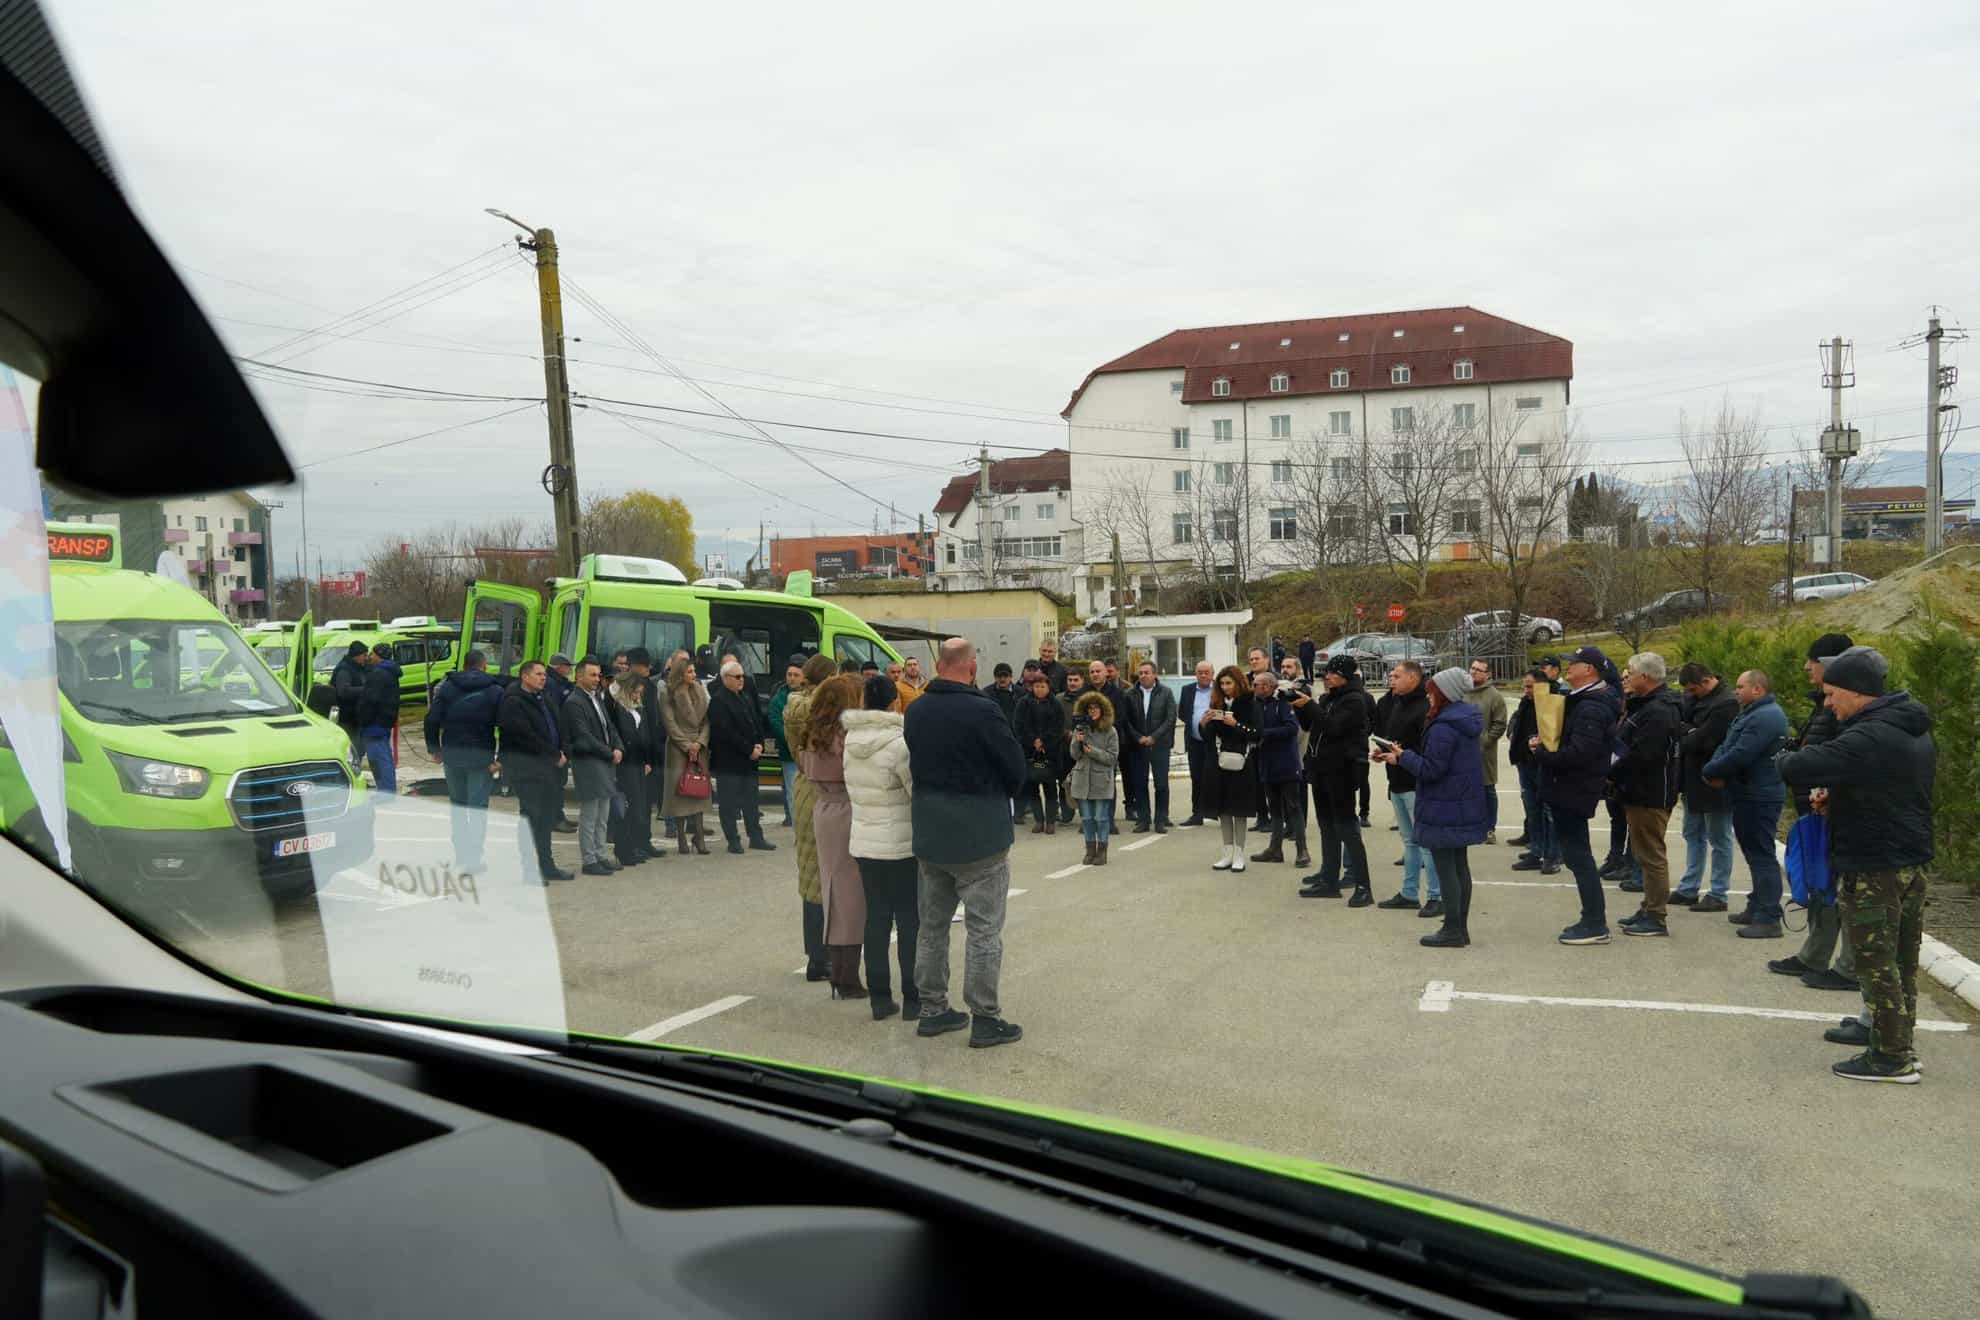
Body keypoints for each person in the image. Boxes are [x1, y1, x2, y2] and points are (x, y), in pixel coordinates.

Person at [1777, 647, 1934, 1083]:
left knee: (1875, 961)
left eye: (1832, 694)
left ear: (1857, 692)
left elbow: (1805, 765)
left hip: (1875, 863)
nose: (1828, 703)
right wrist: (1841, 797)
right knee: (1900, 961)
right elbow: (1884, 786)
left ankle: (1891, 1058)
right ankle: (1897, 1041)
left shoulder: (1870, 735)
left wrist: (1783, 758)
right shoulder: (1906, 727)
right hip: (1907, 858)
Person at [903, 638, 1027, 1048]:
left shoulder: (916, 710)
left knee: (932, 928)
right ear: (972, 668)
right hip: (980, 836)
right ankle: (985, 1017)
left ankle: (933, 1009)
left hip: (931, 833)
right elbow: (1014, 768)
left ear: (938, 665)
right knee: (983, 931)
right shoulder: (984, 710)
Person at [1770, 634, 1859, 987]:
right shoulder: (1823, 704)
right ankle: (1815, 955)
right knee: (1821, 884)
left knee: (1844, 889)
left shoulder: (1848, 711)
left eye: (1813, 660)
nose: (1807, 666)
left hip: (1836, 811)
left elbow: (1842, 758)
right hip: (1818, 808)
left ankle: (1849, 967)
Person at [1377, 667, 1487, 947]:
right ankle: (1459, 927)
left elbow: (1432, 769)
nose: (1428, 695)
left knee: (1447, 866)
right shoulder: (1464, 719)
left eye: (1432, 691)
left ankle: (1452, 928)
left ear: (1444, 693)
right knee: (1459, 866)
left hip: (1443, 803)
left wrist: (1404, 758)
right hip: (1460, 801)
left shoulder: (1444, 726)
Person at [1528, 645, 1624, 945]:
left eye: (1574, 664)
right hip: (1568, 786)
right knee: (1576, 855)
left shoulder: (1592, 706)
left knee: (1579, 856)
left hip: (1573, 789)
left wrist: (1542, 752)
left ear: (1590, 670)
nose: (1567, 668)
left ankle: (1595, 923)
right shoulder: (1585, 699)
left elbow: (1580, 754)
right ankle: (1592, 919)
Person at [843, 674, 920, 1021]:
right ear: (894, 703)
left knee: (875, 918)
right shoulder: (899, 743)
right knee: (908, 921)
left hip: (863, 840)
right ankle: (913, 998)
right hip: (900, 843)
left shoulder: (850, 740)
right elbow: (913, 790)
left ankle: (879, 998)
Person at [1701, 669, 1790, 940]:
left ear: (1757, 689)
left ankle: (1769, 916)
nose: (1735, 691)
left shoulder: (1766, 717)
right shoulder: (1751, 713)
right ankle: (1757, 906)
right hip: (1746, 792)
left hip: (1759, 795)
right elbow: (1726, 746)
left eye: (1741, 686)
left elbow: (1742, 754)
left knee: (1762, 855)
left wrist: (1710, 771)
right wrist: (1714, 768)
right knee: (1754, 853)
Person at [802, 674, 869, 1000]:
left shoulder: (813, 733)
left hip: (823, 810)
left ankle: (839, 971)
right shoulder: (846, 738)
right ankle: (846, 976)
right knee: (852, 896)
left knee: (833, 891)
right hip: (847, 810)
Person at [1613, 653, 1682, 936]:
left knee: (1652, 855)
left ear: (1646, 676)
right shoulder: (1646, 706)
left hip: (1650, 793)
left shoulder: (1658, 711)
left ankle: (1656, 916)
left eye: (1630, 671)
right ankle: (1648, 907)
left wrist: (1613, 766)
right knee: (1643, 853)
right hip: (1638, 791)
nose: (1625, 676)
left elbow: (1646, 756)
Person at [1295, 654, 1372, 900]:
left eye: (1332, 673)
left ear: (1345, 676)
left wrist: (1310, 706)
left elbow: (1334, 727)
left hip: (1342, 771)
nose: (1326, 677)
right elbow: (1312, 727)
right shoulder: (1329, 698)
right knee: (1327, 826)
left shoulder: (1354, 700)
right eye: (1326, 673)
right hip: (1321, 770)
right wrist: (1300, 708)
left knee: (1347, 828)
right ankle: (1329, 880)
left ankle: (1363, 886)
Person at [784, 653, 840, 982]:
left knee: (809, 879)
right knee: (827, 881)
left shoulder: (794, 707)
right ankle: (825, 957)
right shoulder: (823, 710)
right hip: (823, 793)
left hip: (802, 790)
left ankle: (814, 958)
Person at [422, 647, 504, 871]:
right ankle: (474, 860)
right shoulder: (495, 690)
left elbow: (431, 720)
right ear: (483, 665)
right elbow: (506, 725)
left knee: (457, 807)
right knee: (477, 809)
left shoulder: (447, 687)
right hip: (481, 757)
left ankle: (461, 856)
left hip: (452, 754)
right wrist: (501, 756)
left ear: (464, 666)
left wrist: (434, 748)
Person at [497, 661, 573, 883]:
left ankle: (547, 865)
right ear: (524, 676)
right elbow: (524, 736)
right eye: (538, 674)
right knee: (531, 817)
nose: (543, 678)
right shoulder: (513, 702)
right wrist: (553, 754)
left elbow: (560, 726)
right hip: (526, 769)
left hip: (549, 768)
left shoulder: (544, 698)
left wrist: (564, 750)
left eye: (544, 674)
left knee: (546, 818)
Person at [1673, 661, 1738, 913]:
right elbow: (1682, 729)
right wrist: (1691, 732)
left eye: (1692, 689)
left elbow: (1707, 740)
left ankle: (1718, 893)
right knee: (1693, 835)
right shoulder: (1695, 700)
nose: (1689, 694)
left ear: (1705, 682)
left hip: (1714, 780)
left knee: (1719, 838)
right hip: (1692, 779)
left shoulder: (1726, 703)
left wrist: (1689, 734)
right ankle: (1689, 888)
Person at [1373, 661, 1436, 914]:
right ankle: (1409, 893)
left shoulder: (1424, 708)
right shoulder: (1396, 703)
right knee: (1410, 841)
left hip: (1414, 783)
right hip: (1396, 780)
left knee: (1426, 843)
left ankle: (1436, 895)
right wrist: (1384, 750)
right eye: (1391, 675)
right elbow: (1397, 740)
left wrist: (1400, 757)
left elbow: (1424, 749)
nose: (1392, 679)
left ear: (1413, 678)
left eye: (1397, 676)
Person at [562, 656, 625, 876]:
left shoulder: (596, 698)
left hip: (605, 761)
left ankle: (600, 855)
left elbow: (610, 726)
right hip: (589, 762)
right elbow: (583, 736)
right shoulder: (574, 702)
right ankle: (589, 860)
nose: (597, 679)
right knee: (590, 815)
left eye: (598, 675)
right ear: (579, 676)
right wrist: (610, 753)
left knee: (603, 815)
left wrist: (618, 747)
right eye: (593, 675)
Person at [707, 660, 775, 854]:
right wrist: (748, 749)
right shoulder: (719, 701)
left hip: (750, 761)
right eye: (737, 677)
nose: (741, 680)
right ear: (725, 678)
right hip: (729, 762)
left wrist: (760, 744)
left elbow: (756, 722)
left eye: (742, 676)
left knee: (752, 801)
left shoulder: (745, 697)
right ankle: (733, 840)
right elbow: (725, 732)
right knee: (728, 803)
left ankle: (756, 836)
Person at [1199, 665, 1260, 872]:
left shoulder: (1250, 702)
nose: (1225, 688)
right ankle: (1226, 853)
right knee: (1223, 809)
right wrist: (1204, 724)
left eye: (1228, 683)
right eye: (1222, 684)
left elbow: (1256, 733)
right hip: (1220, 761)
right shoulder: (1217, 703)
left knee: (1239, 809)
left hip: (1242, 761)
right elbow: (1208, 738)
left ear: (1238, 682)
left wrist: (1236, 724)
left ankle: (1239, 854)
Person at [1245, 670, 1306, 868]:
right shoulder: (1255, 705)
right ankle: (1275, 848)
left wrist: (1265, 734)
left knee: (1293, 807)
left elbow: (1292, 728)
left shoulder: (1282, 703)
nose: (1254, 688)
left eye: (1257, 685)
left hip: (1286, 764)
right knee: (1274, 808)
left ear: (1269, 686)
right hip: (1266, 763)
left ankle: (1302, 850)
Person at [1507, 669, 1561, 875]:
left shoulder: (1552, 704)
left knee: (1548, 811)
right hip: (1525, 762)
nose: (1526, 690)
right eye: (1524, 686)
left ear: (1541, 686)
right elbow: (1517, 723)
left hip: (1543, 764)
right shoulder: (1525, 703)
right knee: (1533, 810)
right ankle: (1536, 851)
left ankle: (1552, 855)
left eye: (1529, 686)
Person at [659, 655, 713, 856]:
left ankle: (699, 836)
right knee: (679, 792)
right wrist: (687, 745)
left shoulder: (699, 690)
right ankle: (681, 837)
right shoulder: (668, 692)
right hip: (678, 749)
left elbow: (707, 720)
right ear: (680, 674)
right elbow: (669, 723)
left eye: (694, 671)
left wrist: (699, 743)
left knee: (698, 789)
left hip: (699, 748)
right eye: (690, 671)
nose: (694, 674)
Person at [607, 670, 657, 868]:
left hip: (639, 763)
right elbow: (620, 734)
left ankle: (634, 846)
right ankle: (623, 849)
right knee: (628, 807)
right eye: (635, 692)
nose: (638, 696)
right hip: (625, 764)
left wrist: (647, 760)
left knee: (639, 806)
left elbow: (643, 733)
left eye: (640, 693)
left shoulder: (637, 707)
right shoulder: (616, 706)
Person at [1123, 661, 1177, 834]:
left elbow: (1170, 719)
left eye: (1146, 672)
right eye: (1140, 673)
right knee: (1139, 783)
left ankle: (1160, 819)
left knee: (1161, 784)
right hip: (1137, 746)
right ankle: (1143, 820)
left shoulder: (1166, 693)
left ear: (1154, 674)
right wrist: (1139, 737)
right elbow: (1126, 720)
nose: (1143, 676)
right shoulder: (1130, 694)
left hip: (1159, 745)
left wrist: (1153, 737)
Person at [1067, 690, 1120, 865]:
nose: (1092, 711)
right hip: (1082, 780)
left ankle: (1102, 851)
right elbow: (1074, 755)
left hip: (1101, 781)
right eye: (1089, 708)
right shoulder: (1081, 728)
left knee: (1101, 818)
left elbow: (1112, 758)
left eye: (1096, 708)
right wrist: (1077, 740)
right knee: (1087, 819)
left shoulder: (1110, 731)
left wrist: (1093, 752)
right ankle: (1090, 850)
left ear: (1103, 710)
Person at [620, 648, 664, 861]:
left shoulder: (651, 686)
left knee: (647, 802)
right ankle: (633, 843)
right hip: (634, 757)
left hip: (651, 752)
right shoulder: (625, 688)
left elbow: (653, 721)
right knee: (635, 803)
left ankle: (644, 841)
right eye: (644, 665)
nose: (648, 669)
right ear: (633, 666)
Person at [1462, 659, 1509, 845]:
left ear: (1487, 674)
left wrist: (1486, 741)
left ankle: (1490, 828)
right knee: (1465, 789)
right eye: (1472, 668)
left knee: (1487, 789)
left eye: (1479, 670)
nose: (1474, 672)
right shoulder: (1462, 692)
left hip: (1484, 753)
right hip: (1462, 751)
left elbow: (1500, 723)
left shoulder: (1494, 696)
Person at [1013, 673, 1065, 834]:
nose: (1039, 689)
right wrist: (1032, 741)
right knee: (1032, 788)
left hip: (1050, 752)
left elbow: (1058, 728)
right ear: (1031, 687)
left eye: (1043, 686)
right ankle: (1038, 820)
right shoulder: (1023, 703)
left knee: (1050, 788)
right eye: (1036, 686)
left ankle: (1050, 821)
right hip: (1029, 752)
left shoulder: (1055, 704)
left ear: (1048, 687)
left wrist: (1044, 741)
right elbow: (1018, 726)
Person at [1090, 660, 1133, 832]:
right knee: (1091, 782)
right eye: (1092, 671)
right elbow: (1078, 715)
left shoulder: (1116, 693)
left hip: (1109, 743)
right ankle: (1092, 819)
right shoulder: (1085, 692)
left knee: (1107, 782)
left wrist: (1102, 728)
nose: (1095, 674)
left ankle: (1108, 820)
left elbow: (1121, 717)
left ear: (1105, 673)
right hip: (1089, 743)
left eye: (1098, 671)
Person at [356, 642, 402, 794]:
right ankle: (388, 789)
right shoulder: (390, 671)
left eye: (373, 653)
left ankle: (386, 792)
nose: (370, 656)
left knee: (379, 760)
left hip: (374, 723)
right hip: (384, 721)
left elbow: (371, 699)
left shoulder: (378, 674)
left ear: (379, 656)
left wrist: (363, 719)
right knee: (385, 758)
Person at [1176, 659, 1217, 828]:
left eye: (1206, 672)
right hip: (1194, 741)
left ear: (1212, 674)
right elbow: (1183, 713)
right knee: (1196, 777)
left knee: (1215, 777)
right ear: (1196, 674)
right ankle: (1197, 813)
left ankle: (1217, 811)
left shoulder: (1218, 690)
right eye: (1200, 672)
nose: (1203, 675)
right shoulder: (1187, 690)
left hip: (1214, 742)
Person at [767, 658, 805, 827]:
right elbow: (776, 724)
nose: (791, 678)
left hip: (809, 753)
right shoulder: (778, 699)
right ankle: (796, 825)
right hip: (789, 755)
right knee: (792, 792)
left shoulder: (810, 695)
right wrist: (795, 742)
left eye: (796, 675)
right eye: (789, 674)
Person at [546, 653, 579, 833]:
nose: (570, 669)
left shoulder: (559, 682)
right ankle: (555, 819)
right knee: (556, 783)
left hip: (560, 738)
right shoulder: (552, 684)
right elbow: (556, 711)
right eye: (568, 666)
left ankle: (558, 816)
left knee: (559, 781)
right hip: (557, 739)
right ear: (559, 666)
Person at [1053, 668, 1088, 825]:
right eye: (1070, 680)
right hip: (1064, 748)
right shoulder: (1058, 699)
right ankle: (1066, 812)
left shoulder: (1088, 699)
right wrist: (1067, 734)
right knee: (1064, 782)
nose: (1072, 683)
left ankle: (1085, 815)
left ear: (1082, 681)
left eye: (1076, 680)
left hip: (1083, 749)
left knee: (1083, 782)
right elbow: (1053, 722)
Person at [1245, 647, 1274, 833]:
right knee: (1254, 781)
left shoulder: (1275, 680)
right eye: (1251, 659)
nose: (1254, 662)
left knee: (1270, 782)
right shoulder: (1245, 682)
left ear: (1266, 660)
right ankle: (1261, 816)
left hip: (1271, 738)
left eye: (1257, 658)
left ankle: (1276, 817)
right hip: (1251, 738)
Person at [329, 639, 370, 757]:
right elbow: (343, 691)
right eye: (364, 655)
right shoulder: (344, 670)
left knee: (359, 750)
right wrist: (366, 689)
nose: (366, 658)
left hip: (356, 717)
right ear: (356, 656)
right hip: (347, 718)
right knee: (352, 751)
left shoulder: (357, 667)